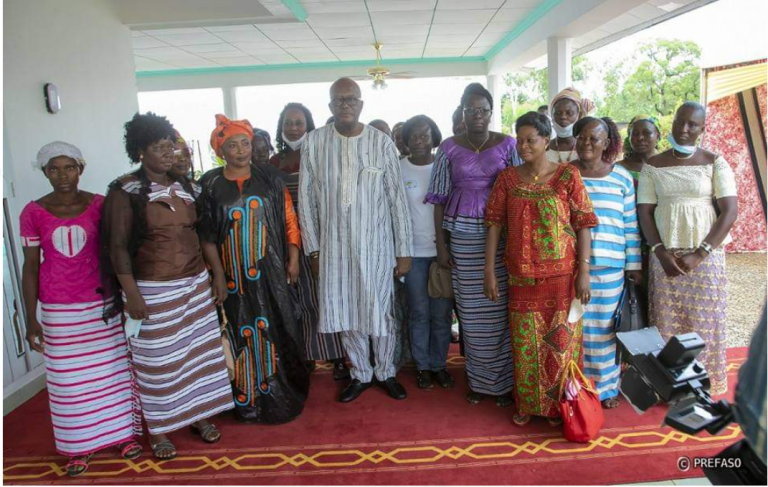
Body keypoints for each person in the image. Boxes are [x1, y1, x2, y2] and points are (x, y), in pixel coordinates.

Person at [101, 112, 234, 460]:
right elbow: (116, 246)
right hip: (153, 288)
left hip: (195, 284)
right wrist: (131, 293)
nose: (168, 154)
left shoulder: (187, 186)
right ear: (141, 150)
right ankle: (159, 429)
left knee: (198, 357)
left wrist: (216, 275)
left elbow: (203, 235)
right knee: (159, 362)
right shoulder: (125, 190)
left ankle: (200, 416)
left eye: (171, 147)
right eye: (160, 148)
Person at [20, 142, 142, 477]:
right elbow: (30, 267)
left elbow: (117, 250)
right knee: (68, 382)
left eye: (69, 167)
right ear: (44, 172)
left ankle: (123, 436)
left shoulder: (100, 205)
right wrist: (31, 319)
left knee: (111, 373)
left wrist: (128, 296)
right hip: (59, 311)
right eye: (54, 169)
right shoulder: (33, 212)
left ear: (81, 169)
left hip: (101, 304)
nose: (62, 175)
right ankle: (79, 446)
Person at [299, 77, 413, 403]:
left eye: (351, 100)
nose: (345, 105)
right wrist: (314, 249)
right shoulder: (314, 143)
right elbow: (306, 201)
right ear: (331, 106)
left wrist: (403, 251)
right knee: (347, 311)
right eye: (339, 100)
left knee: (381, 310)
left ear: (361, 104)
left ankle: (386, 372)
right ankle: (360, 373)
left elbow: (396, 200)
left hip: (377, 246)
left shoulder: (381, 143)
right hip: (333, 247)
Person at [484, 111, 597, 426]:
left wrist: (584, 272)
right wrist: (489, 271)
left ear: (546, 140)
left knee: (560, 344)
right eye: (519, 140)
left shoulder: (567, 176)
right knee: (524, 344)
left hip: (562, 278)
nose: (523, 146)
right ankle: (527, 403)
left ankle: (556, 407)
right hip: (520, 277)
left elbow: (584, 223)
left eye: (530, 140)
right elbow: (493, 223)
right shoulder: (507, 178)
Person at [198, 114, 310, 423]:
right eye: (232, 145)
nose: (241, 150)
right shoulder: (209, 183)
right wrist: (218, 275)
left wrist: (293, 256)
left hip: (270, 272)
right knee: (238, 330)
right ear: (221, 150)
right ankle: (244, 401)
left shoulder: (270, 178)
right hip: (232, 279)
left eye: (245, 143)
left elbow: (289, 220)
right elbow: (205, 235)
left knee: (279, 326)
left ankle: (281, 394)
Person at [425, 82, 521, 407]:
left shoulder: (509, 144)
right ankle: (480, 383)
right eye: (471, 110)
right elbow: (437, 199)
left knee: (499, 309)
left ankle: (505, 383)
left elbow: (521, 190)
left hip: (501, 236)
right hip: (462, 240)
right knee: (471, 313)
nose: (477, 116)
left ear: (491, 113)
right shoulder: (449, 148)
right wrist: (441, 245)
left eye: (482, 110)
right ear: (462, 113)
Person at [637, 102, 738, 396]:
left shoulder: (715, 162)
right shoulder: (653, 166)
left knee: (704, 323)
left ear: (702, 129)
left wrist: (700, 253)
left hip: (705, 257)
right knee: (666, 325)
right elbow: (645, 212)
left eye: (692, 125)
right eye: (680, 122)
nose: (683, 129)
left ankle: (700, 386)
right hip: (665, 257)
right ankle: (671, 388)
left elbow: (729, 211)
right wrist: (659, 251)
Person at [268, 102, 350, 381]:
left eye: (298, 123)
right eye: (288, 123)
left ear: (308, 125)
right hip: (288, 242)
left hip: (322, 238)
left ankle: (339, 357)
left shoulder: (320, 154)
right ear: (281, 127)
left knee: (326, 297)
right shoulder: (272, 164)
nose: (293, 128)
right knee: (299, 301)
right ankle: (307, 355)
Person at [570, 116, 642, 408]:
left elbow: (630, 225)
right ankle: (576, 387)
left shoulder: (622, 177)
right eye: (583, 137)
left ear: (607, 143)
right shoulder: (565, 174)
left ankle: (606, 388)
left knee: (604, 331)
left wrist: (634, 267)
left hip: (611, 268)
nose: (587, 143)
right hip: (571, 268)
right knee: (576, 329)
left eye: (595, 138)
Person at [400, 115, 454, 390]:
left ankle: (439, 365)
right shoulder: (399, 169)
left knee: (441, 313)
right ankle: (422, 366)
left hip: (442, 252)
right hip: (412, 254)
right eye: (413, 136)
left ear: (434, 138)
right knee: (419, 312)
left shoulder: (445, 167)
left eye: (424, 135)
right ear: (406, 141)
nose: (419, 141)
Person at [547, 87, 595, 164]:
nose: (563, 117)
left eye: (569, 113)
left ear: (579, 116)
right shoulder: (544, 148)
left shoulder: (587, 148)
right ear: (552, 115)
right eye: (558, 113)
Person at [617, 115, 661, 182]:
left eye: (647, 133)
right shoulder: (617, 169)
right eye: (635, 133)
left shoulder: (668, 166)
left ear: (657, 136)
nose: (640, 138)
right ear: (629, 137)